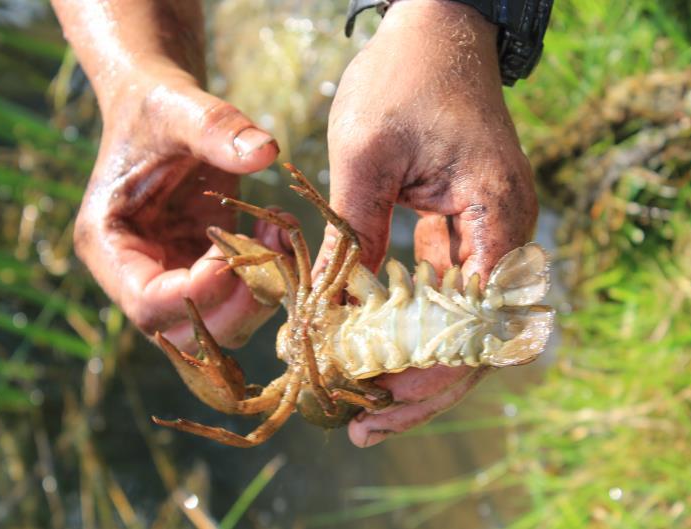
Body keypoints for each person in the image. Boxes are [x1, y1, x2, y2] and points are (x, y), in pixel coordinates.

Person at [50, 0, 539, 448]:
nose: (289, 343)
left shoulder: (303, 332)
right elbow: (249, 416)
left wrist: (440, 17)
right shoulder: (313, 369)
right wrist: (134, 75)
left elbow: (250, 417)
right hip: (410, 334)